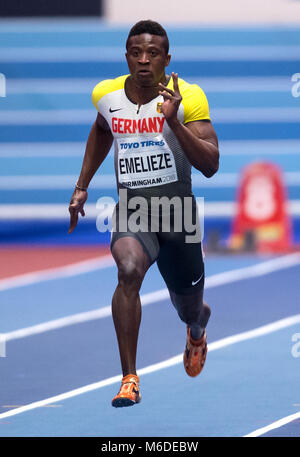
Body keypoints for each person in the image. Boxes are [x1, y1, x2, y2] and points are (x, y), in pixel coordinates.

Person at [68, 20, 219, 408]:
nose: (144, 60)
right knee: (128, 270)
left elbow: (211, 163)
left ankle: (197, 329)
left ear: (167, 59)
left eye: (153, 54)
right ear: (127, 57)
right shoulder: (106, 94)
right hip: (133, 208)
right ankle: (129, 378)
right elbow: (103, 129)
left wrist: (173, 120)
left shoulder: (189, 96)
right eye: (136, 52)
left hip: (178, 213)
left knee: (188, 307)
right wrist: (82, 184)